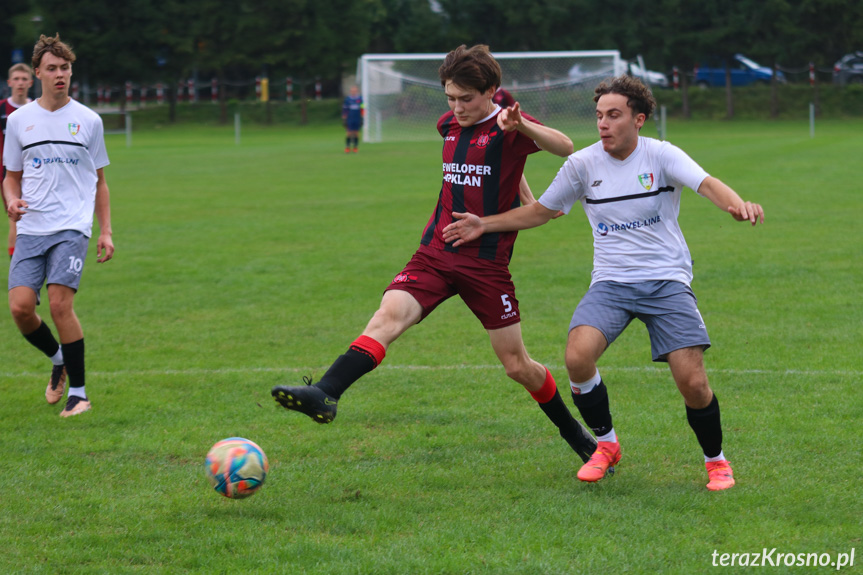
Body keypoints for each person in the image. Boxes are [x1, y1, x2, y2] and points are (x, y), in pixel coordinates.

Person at [273, 44, 601, 465]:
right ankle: (325, 393)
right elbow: (493, 167)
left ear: (491, 91)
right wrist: (519, 185)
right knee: (386, 318)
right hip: (434, 252)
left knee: (518, 366)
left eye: (467, 98)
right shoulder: (448, 126)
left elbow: (566, 145)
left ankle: (573, 431)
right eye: (451, 97)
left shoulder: (508, 122)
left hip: (485, 266)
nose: (458, 107)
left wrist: (525, 128)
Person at [442, 75, 765, 491]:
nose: (603, 124)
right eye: (599, 116)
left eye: (614, 115)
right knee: (578, 356)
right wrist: (483, 224)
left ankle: (716, 461)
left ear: (639, 119)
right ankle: (607, 444)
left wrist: (737, 205)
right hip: (611, 282)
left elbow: (707, 184)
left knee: (693, 381)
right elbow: (541, 211)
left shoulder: (661, 155)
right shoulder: (582, 164)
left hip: (665, 281)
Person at [2, 34, 114, 417]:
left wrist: (106, 231)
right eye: (52, 68)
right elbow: (10, 176)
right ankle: (58, 359)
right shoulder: (19, 121)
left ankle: (79, 394)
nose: (59, 74)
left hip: (71, 226)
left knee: (58, 304)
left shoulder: (88, 120)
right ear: (37, 73)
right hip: (32, 227)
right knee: (19, 309)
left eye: (65, 68)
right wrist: (11, 200)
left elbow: (100, 182)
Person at [1, 63, 34, 258]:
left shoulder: (36, 108)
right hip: (8, 173)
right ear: (9, 82)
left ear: (30, 82)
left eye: (24, 79)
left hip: (33, 171)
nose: (20, 83)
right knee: (15, 219)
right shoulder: (2, 109)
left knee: (31, 219)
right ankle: (18, 264)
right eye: (16, 79)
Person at [342, 85, 364, 153]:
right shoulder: (348, 99)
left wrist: (362, 118)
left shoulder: (360, 99)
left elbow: (362, 109)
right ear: (350, 91)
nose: (353, 92)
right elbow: (345, 110)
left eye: (355, 91)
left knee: (356, 133)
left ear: (357, 91)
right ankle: (347, 147)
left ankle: (355, 147)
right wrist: (344, 119)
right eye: (352, 91)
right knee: (349, 133)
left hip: (357, 118)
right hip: (350, 119)